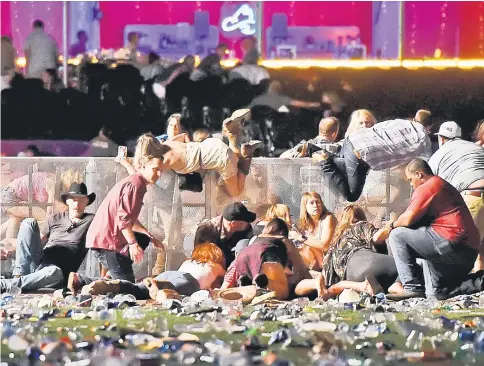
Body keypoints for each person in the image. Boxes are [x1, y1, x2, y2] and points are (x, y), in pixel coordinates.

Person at [67, 134, 167, 291]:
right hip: (107, 243)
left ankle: (95, 278)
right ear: (143, 165)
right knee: (129, 289)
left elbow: (130, 218)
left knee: (144, 238)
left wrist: (150, 236)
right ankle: (85, 280)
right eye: (155, 170)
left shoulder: (137, 182)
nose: (159, 174)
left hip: (108, 241)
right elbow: (124, 219)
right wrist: (133, 244)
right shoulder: (136, 185)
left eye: (161, 171)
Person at [386, 159, 480, 300]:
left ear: (419, 174)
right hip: (468, 252)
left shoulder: (429, 186)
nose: (411, 185)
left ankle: (412, 287)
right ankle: (480, 281)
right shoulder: (441, 185)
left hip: (453, 240)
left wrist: (391, 225)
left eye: (410, 180)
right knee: (436, 295)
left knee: (397, 235)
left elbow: (407, 219)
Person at [0, 183, 95, 293]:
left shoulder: (91, 220)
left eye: (81, 199)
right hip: (40, 261)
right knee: (28, 222)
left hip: (57, 272)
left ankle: (6, 285)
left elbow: (102, 240)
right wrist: (9, 249)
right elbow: (36, 243)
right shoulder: (55, 218)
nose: (77, 203)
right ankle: (19, 275)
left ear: (87, 201)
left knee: (53, 272)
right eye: (73, 199)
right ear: (67, 201)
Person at [320, 109, 433, 202]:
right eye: (361, 123)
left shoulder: (399, 122)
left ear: (414, 119)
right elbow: (426, 164)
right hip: (363, 162)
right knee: (352, 196)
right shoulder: (424, 141)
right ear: (430, 127)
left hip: (359, 156)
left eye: (367, 122)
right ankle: (325, 162)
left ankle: (320, 154)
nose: (364, 125)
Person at [159, 109, 262, 197]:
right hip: (211, 146)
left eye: (176, 126)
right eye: (171, 125)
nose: (173, 128)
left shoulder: (167, 153)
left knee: (235, 192)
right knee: (235, 160)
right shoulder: (175, 143)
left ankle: (246, 154)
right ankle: (233, 136)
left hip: (220, 158)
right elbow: (182, 136)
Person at [77, 243, 226, 301]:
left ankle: (97, 283)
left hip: (169, 273)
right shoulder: (217, 266)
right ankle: (157, 285)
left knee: (137, 289)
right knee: (172, 288)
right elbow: (223, 285)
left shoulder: (189, 261)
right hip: (188, 280)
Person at [428, 121, 484, 271]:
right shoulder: (476, 148)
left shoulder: (437, 156)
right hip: (478, 194)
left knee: (460, 249)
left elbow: (428, 191)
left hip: (472, 197)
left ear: (441, 139)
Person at [322, 205, 396, 290]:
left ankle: (371, 287)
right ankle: (396, 286)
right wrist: (392, 225)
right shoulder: (361, 225)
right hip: (374, 262)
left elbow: (326, 274)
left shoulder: (334, 243)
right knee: (404, 267)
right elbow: (376, 237)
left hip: (352, 277)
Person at [291, 192, 337, 271]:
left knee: (308, 248)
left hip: (330, 261)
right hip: (313, 262)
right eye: (311, 203)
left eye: (318, 202)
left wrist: (300, 237)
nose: (315, 205)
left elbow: (324, 245)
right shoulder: (304, 224)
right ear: (305, 207)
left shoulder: (328, 218)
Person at [249, 80, 322, 112]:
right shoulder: (282, 99)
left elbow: (247, 111)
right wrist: (319, 104)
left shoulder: (257, 99)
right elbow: (304, 104)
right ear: (280, 90)